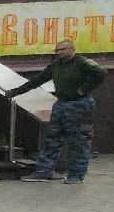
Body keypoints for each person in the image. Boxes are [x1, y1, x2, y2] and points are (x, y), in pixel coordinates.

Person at [9, 38, 106, 183]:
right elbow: (37, 80)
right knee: (51, 139)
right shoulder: (55, 65)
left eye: (62, 49)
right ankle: (44, 172)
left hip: (79, 104)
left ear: (72, 50)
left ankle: (76, 175)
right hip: (60, 103)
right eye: (57, 50)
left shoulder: (82, 63)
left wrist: (83, 90)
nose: (59, 52)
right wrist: (16, 92)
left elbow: (100, 73)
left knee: (78, 141)